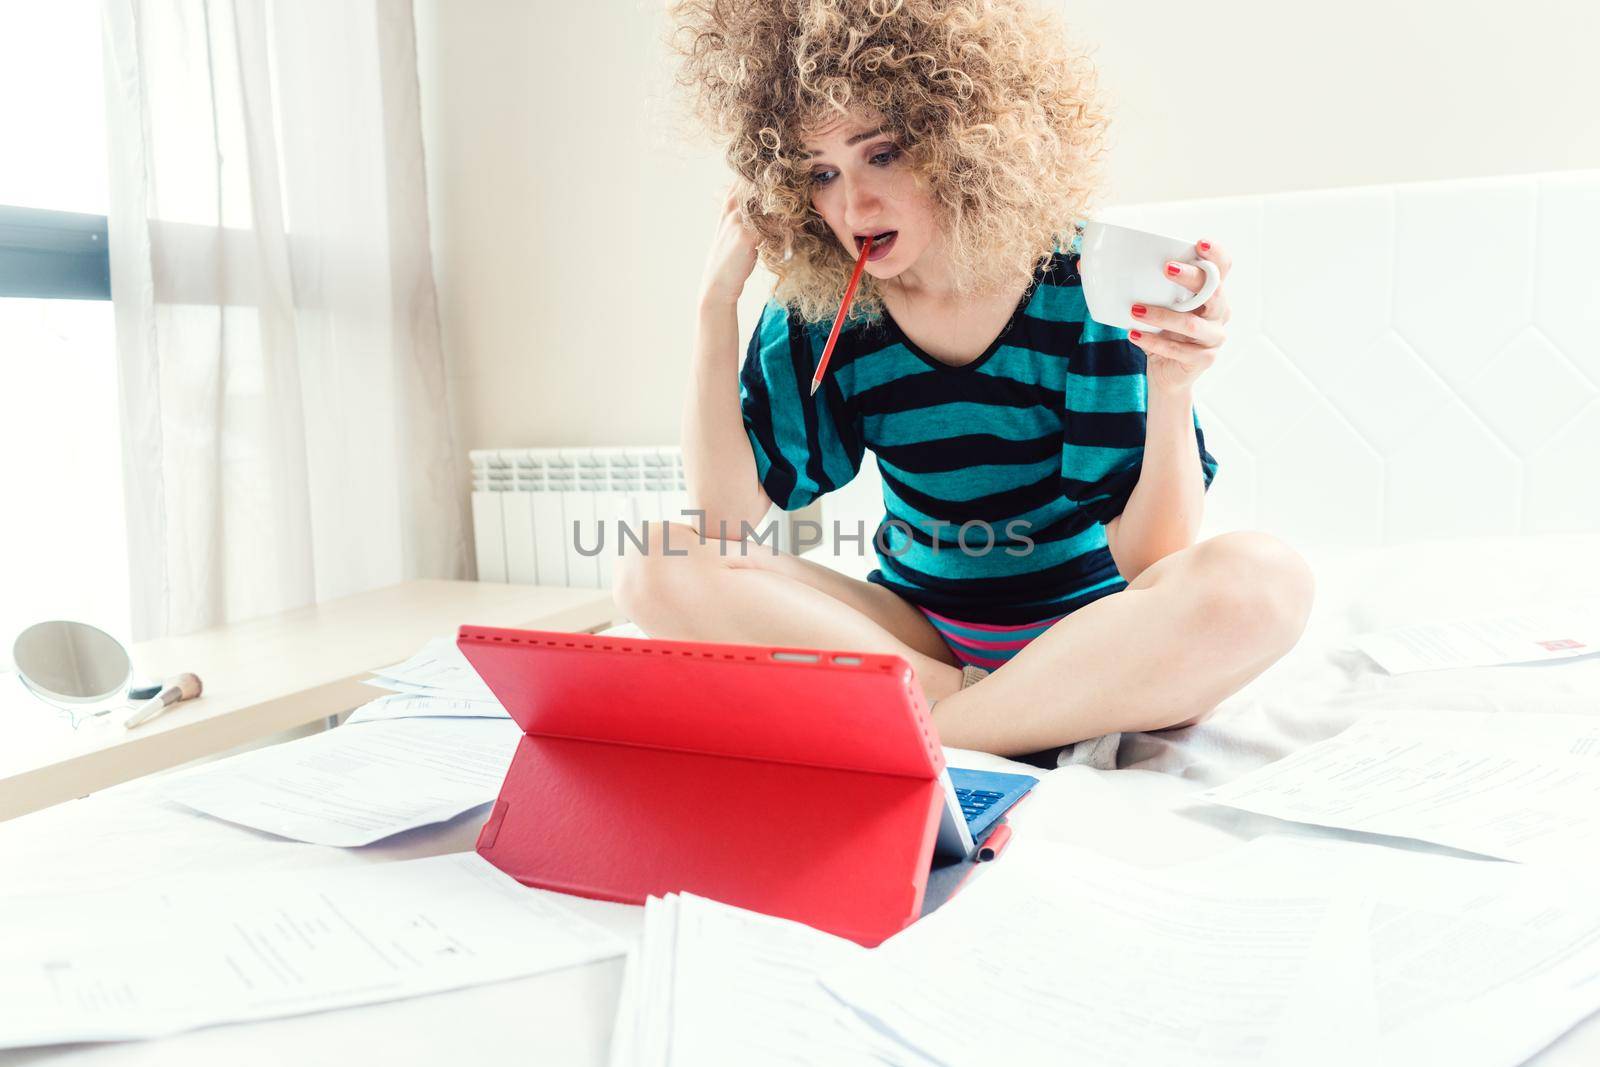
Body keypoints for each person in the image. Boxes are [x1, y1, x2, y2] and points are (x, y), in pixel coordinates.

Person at [615, 0, 1314, 766]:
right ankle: (969, 709)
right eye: (822, 173)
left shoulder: (1079, 284)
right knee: (655, 562)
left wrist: (1172, 388)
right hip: (920, 630)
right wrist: (714, 308)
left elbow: (1152, 560)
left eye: (880, 154)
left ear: (960, 139)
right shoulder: (827, 310)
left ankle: (930, 724)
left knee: (1264, 581)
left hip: (1085, 638)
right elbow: (721, 524)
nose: (853, 206)